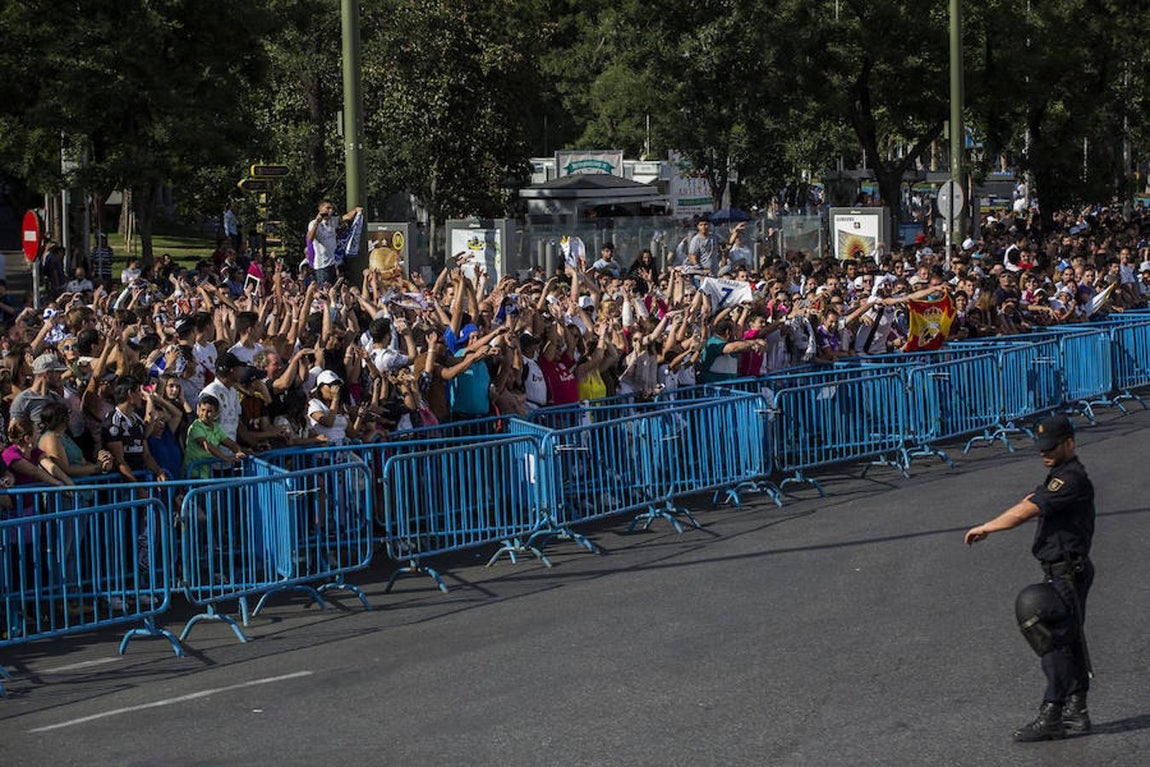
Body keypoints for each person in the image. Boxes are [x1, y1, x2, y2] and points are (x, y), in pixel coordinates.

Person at [963, 415, 1095, 742]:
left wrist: (987, 527)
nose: (1044, 452)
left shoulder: (1071, 479)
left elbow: (1027, 511)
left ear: (1069, 442)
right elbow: (1030, 500)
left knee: (1043, 625)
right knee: (1067, 639)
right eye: (1041, 448)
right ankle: (1076, 712)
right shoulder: (1058, 477)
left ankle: (1053, 710)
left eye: (1051, 446)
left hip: (1068, 572)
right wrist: (997, 520)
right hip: (1060, 570)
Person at [306, 200, 362, 287]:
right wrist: (317, 223)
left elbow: (346, 217)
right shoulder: (313, 223)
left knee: (334, 290)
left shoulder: (333, 221)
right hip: (322, 265)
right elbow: (310, 238)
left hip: (333, 263)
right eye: (327, 208)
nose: (330, 211)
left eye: (332, 208)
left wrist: (355, 210)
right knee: (325, 291)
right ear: (320, 209)